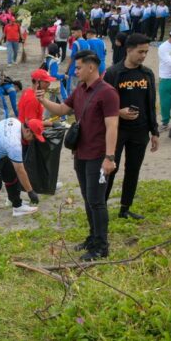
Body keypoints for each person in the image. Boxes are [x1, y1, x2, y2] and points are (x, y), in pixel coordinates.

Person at [38, 50, 119, 260]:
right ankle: (93, 237)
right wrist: (43, 100)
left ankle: (101, 246)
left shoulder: (107, 92)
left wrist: (109, 158)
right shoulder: (80, 89)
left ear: (91, 67)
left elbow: (112, 126)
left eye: (78, 67)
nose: (75, 70)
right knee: (87, 198)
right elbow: (63, 109)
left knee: (97, 200)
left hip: (98, 155)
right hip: (80, 152)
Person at [102, 34, 159, 220]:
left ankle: (125, 209)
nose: (143, 55)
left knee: (133, 170)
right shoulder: (113, 73)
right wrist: (119, 112)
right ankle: (100, 208)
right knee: (111, 169)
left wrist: (154, 131)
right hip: (117, 130)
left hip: (140, 130)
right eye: (140, 51)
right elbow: (101, 104)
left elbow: (150, 104)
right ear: (128, 50)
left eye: (146, 52)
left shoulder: (147, 74)